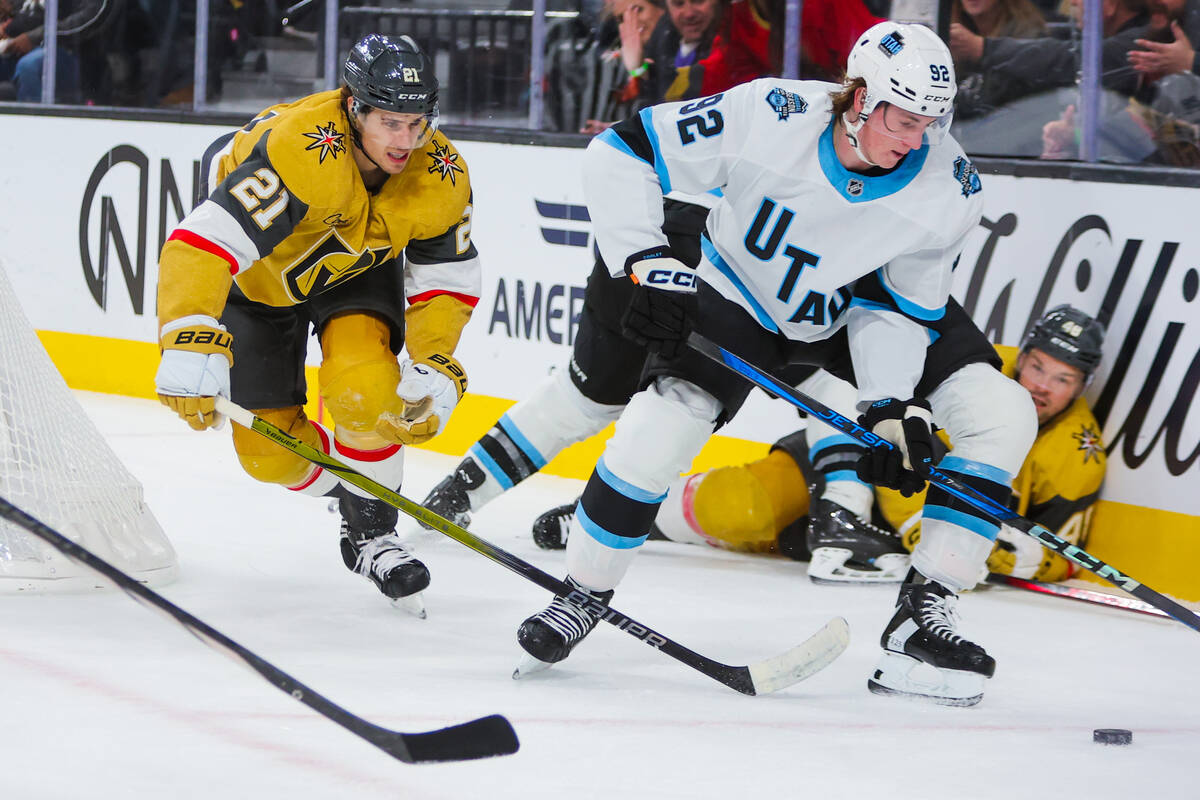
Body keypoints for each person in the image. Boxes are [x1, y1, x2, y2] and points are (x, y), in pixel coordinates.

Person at [514, 21, 1039, 708]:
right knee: (658, 428)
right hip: (743, 294)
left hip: (859, 311)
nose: (918, 140)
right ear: (858, 99)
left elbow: (904, 310)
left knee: (1003, 413)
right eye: (904, 120)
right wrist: (644, 260)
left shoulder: (950, 187)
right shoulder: (768, 114)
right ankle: (582, 593)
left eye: (932, 122)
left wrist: (887, 406)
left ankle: (922, 617)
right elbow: (622, 151)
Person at [153, 34, 480, 615]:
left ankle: (374, 532)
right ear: (354, 109)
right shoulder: (304, 150)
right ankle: (356, 497)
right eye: (389, 123)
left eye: (417, 122)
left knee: (367, 392)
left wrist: (435, 358)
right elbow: (201, 242)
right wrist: (186, 330)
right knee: (268, 457)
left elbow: (447, 280)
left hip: (353, 272)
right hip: (258, 287)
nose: (405, 141)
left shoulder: (441, 173)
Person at [547, 306, 1106, 589]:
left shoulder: (1079, 454)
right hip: (857, 472)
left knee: (763, 531)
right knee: (740, 506)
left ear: (1081, 387)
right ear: (1023, 355)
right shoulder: (971, 385)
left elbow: (1059, 553)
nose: (1040, 386)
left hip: (887, 543)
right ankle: (603, 517)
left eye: (1061, 379)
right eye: (1036, 367)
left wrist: (987, 551)